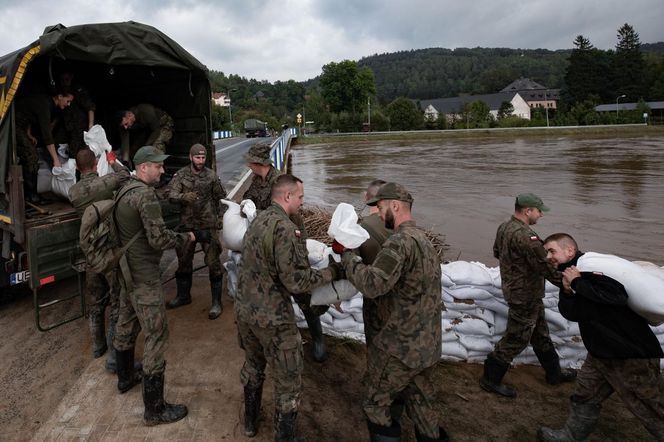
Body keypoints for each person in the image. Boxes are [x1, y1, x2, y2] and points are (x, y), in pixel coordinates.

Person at [234, 174, 343, 440]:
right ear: (287, 196)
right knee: (288, 380)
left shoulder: (258, 220)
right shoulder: (285, 229)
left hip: (246, 313)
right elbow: (296, 281)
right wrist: (332, 273)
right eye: (301, 197)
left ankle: (250, 423)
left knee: (253, 365)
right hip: (273, 318)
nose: (302, 203)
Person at [337, 182, 447, 442]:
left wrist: (348, 256)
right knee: (423, 405)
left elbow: (373, 285)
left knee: (375, 403)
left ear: (395, 206)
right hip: (428, 345)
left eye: (381, 207)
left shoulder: (399, 243)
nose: (378, 212)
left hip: (400, 347)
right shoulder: (424, 240)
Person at [538, 233, 664, 441]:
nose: (548, 256)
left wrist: (577, 282)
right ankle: (570, 436)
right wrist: (568, 291)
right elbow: (572, 314)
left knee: (651, 407)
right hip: (600, 353)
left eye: (552, 251)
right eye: (545, 253)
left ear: (569, 250)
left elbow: (616, 297)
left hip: (629, 354)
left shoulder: (592, 271)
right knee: (584, 395)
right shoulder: (572, 275)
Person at [113, 145, 195, 426]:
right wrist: (184, 239)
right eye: (158, 166)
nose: (162, 170)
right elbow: (158, 239)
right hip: (144, 276)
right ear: (143, 167)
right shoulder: (145, 196)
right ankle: (155, 409)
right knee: (156, 335)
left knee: (125, 323)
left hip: (127, 272)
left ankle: (124, 378)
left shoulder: (124, 190)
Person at [480, 193, 575, 398]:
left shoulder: (504, 228)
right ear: (527, 211)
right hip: (524, 295)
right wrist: (568, 284)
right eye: (539, 211)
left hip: (517, 290)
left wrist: (517, 266)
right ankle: (490, 378)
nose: (541, 215)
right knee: (516, 337)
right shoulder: (527, 236)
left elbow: (497, 252)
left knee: (540, 333)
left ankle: (554, 373)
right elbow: (545, 267)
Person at [242, 142, 330, 362]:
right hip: (270, 239)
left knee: (302, 290)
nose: (248, 164)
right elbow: (249, 198)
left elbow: (286, 212)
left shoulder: (280, 181)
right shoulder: (256, 180)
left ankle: (318, 338)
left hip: (291, 237)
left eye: (249, 160)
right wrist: (246, 206)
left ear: (257, 161)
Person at [68, 148, 130, 372]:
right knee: (116, 301)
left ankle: (97, 346)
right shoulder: (106, 182)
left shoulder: (73, 192)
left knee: (95, 302)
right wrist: (112, 160)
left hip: (91, 253)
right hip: (110, 251)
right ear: (96, 165)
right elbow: (126, 176)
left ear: (76, 168)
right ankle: (114, 356)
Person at [167, 143, 227, 319]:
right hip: (188, 226)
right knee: (184, 261)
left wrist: (220, 219)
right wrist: (183, 197)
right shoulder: (181, 175)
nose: (200, 161)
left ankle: (216, 302)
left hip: (208, 225)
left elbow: (220, 198)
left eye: (203, 158)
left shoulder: (211, 176)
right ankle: (183, 296)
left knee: (213, 262)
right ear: (190, 157)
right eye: (197, 157)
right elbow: (171, 195)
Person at [15, 88, 74, 202]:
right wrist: (56, 160)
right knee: (32, 156)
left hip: (22, 126)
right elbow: (47, 136)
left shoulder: (48, 104)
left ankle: (29, 194)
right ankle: (31, 195)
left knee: (28, 155)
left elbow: (30, 115)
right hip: (14, 125)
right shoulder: (45, 105)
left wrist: (28, 134)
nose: (68, 104)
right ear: (60, 96)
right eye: (68, 101)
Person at [58, 70, 96, 158]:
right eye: (62, 80)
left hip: (79, 126)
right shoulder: (62, 90)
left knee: (76, 152)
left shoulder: (78, 90)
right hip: (68, 125)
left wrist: (91, 127)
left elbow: (90, 107)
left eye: (67, 79)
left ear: (71, 77)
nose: (65, 82)